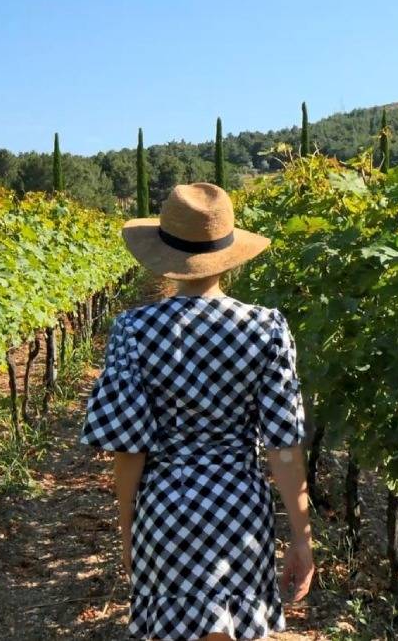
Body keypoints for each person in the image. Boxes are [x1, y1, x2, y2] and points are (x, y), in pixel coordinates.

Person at [78, 182, 314, 641]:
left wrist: (128, 529)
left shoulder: (134, 329)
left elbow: (129, 447)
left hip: (165, 507)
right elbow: (284, 447)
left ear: (165, 253)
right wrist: (302, 538)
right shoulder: (266, 327)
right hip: (238, 507)